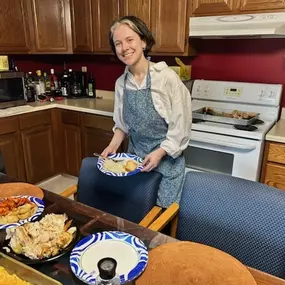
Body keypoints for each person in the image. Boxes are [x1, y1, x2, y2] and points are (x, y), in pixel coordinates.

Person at [102, 15, 192, 208]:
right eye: (118, 43)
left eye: (129, 40)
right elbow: (122, 126)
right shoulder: (121, 84)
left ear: (143, 41)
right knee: (136, 212)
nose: (124, 48)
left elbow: (181, 128)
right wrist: (112, 146)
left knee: (160, 219)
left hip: (166, 165)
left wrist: (159, 153)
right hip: (133, 164)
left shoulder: (166, 78)